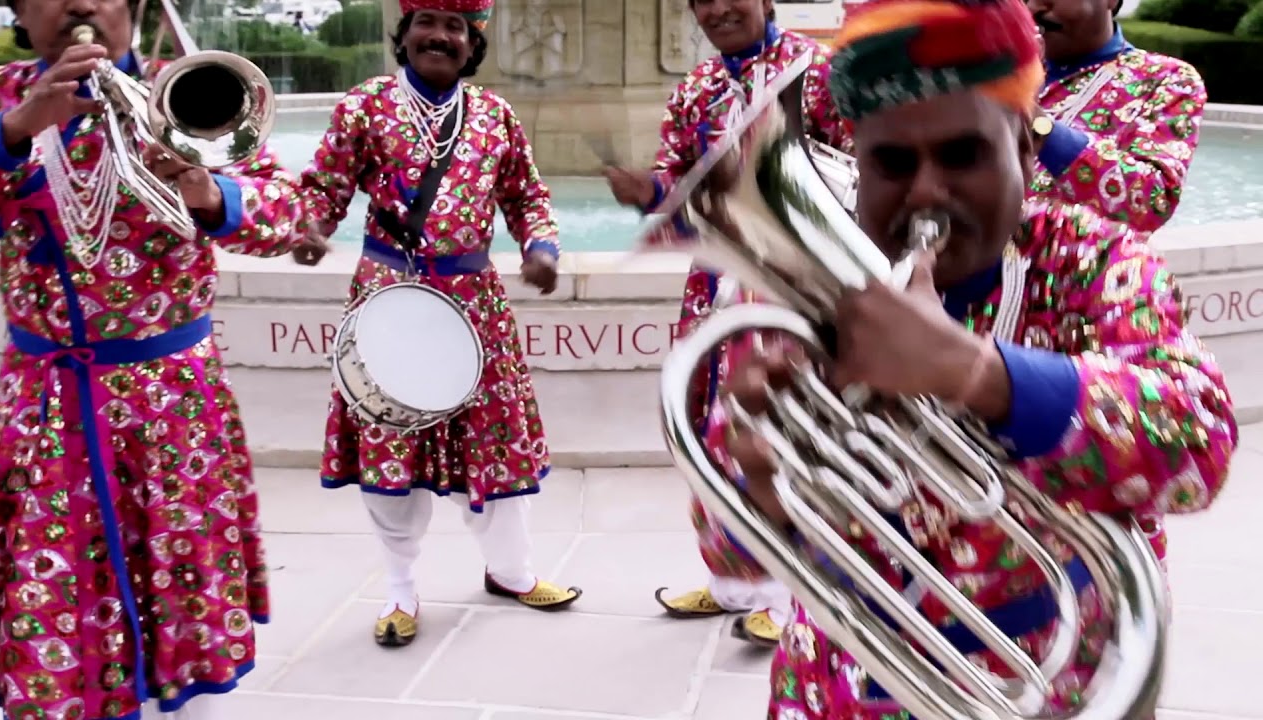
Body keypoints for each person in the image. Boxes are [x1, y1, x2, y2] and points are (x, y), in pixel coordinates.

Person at [699, 0, 1238, 716]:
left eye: (963, 154)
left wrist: (977, 374)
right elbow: (730, 554)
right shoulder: (794, 297)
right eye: (892, 162)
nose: (926, 191)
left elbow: (1200, 442)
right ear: (856, 161)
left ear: (1022, 149)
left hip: (1050, 683)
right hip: (841, 684)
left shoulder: (1091, 259)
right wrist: (755, 487)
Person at [0, 0, 322, 716]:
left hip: (172, 403)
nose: (80, 5)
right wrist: (16, 129)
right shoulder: (0, 96)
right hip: (46, 400)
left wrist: (201, 186)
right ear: (18, 9)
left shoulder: (191, 87)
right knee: (57, 586)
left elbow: (293, 217)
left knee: (184, 582)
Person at [295, 0, 582, 649]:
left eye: (455, 27)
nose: (439, 36)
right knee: (390, 448)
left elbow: (527, 195)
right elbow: (323, 187)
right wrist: (311, 224)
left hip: (476, 305)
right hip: (387, 301)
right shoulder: (364, 106)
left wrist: (541, 245)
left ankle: (513, 573)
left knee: (499, 443)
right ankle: (399, 591)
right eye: (427, 21)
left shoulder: (494, 115)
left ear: (471, 44)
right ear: (406, 33)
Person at [606, 0, 852, 648]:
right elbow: (678, 182)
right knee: (708, 434)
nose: (717, 7)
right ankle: (732, 585)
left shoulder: (820, 72)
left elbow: (861, 171)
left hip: (796, 289)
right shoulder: (696, 89)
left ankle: (787, 591)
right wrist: (651, 192)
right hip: (716, 288)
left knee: (784, 436)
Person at [1027, 0, 1206, 232]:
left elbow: (1151, 203)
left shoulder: (1167, 80)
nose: (1033, 8)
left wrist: (1038, 124)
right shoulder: (996, 68)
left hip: (1071, 266)